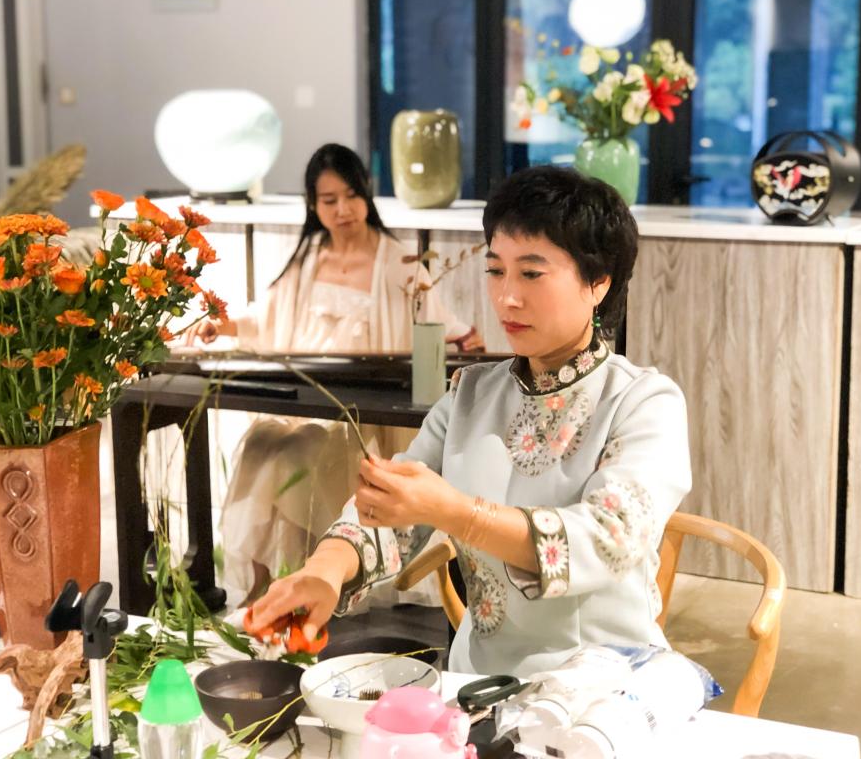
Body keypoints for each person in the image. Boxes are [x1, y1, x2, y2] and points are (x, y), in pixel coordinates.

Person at [251, 165, 692, 676]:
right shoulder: (471, 392)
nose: (507, 297)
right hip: (477, 678)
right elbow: (395, 507)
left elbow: (605, 539)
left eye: (531, 273)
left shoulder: (642, 401)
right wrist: (324, 570)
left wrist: (456, 512)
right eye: (495, 271)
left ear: (598, 282)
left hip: (602, 680)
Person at [183, 143, 482, 604]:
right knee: (261, 442)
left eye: (351, 196)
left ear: (366, 194)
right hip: (306, 402)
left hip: (359, 415)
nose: (343, 210)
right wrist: (219, 325)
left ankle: (318, 580)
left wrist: (466, 341)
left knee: (296, 454)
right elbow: (265, 316)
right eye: (329, 200)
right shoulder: (309, 257)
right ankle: (266, 584)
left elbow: (440, 322)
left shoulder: (396, 260)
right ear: (313, 204)